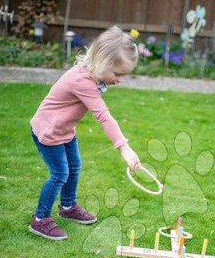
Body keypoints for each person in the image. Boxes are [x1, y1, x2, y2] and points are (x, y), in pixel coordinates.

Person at [29, 26, 141, 241]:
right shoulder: (82, 80)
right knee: (60, 174)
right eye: (117, 74)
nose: (120, 80)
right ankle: (40, 219)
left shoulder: (91, 73)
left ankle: (68, 206)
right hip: (49, 132)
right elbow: (103, 115)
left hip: (64, 130)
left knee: (74, 167)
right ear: (102, 62)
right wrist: (124, 148)